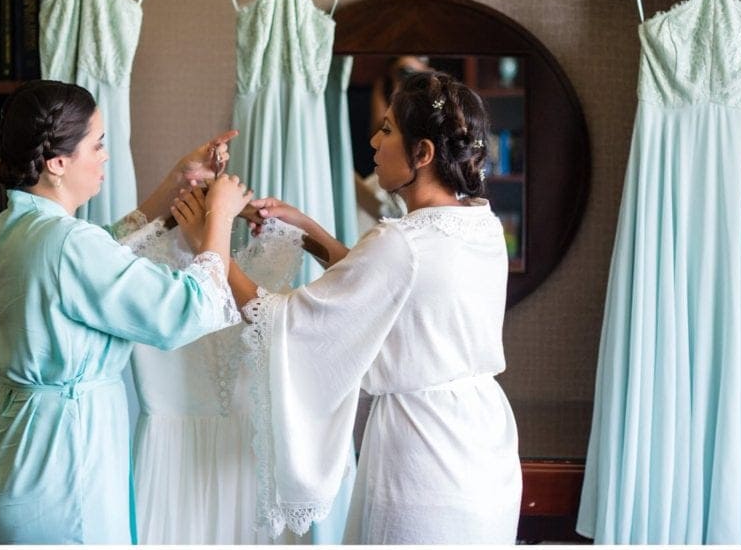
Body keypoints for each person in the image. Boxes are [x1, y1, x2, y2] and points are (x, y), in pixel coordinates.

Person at [172, 70, 522, 544]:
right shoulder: (480, 224)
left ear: (422, 154)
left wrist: (211, 247)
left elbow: (283, 322)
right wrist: (304, 229)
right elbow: (384, 288)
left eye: (387, 130)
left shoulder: (401, 242)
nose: (374, 141)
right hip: (486, 447)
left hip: (423, 456)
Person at [0, 80, 253, 544]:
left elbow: (105, 256)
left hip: (13, 451)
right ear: (58, 163)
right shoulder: (65, 242)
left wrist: (179, 180)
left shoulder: (14, 224)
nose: (105, 156)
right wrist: (220, 217)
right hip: (58, 466)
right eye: (97, 144)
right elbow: (184, 310)